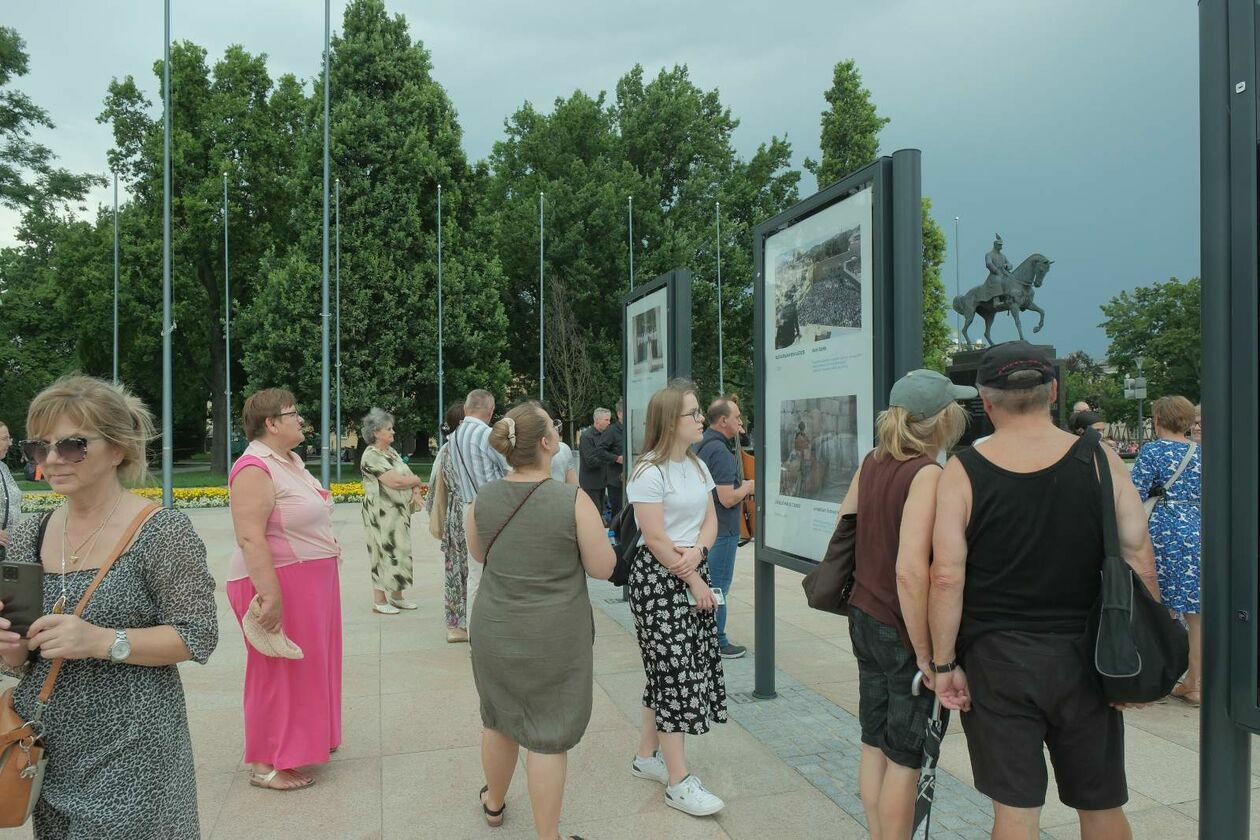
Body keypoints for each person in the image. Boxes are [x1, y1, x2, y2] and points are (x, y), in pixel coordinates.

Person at [928, 342, 1156, 840]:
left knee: (1015, 812)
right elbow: (1138, 554)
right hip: (1088, 655)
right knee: (1101, 805)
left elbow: (946, 573)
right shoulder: (1102, 462)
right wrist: (1137, 653)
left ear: (986, 402)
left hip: (998, 659)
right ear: (1052, 392)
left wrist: (944, 664)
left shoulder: (963, 471)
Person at [0, 375, 218, 838]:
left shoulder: (160, 531)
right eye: (39, 448)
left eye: (72, 446)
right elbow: (22, 661)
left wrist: (100, 640)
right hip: (47, 749)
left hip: (135, 750)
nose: (52, 461)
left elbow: (197, 635)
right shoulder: (28, 534)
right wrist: (10, 644)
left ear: (118, 449)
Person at [465, 402, 615, 839]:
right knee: (548, 736)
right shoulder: (572, 500)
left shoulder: (482, 499)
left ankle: (493, 804)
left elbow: (479, 554)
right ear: (548, 443)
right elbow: (603, 567)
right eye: (555, 427)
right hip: (555, 635)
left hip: (494, 628)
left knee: (498, 718)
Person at [837, 370, 971, 839]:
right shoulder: (928, 474)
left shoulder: (872, 461)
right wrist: (925, 652)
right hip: (899, 625)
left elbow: (845, 524)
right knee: (905, 756)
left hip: (863, 613)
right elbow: (912, 572)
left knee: (874, 742)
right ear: (941, 420)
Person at [227, 389, 343, 791]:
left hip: (309, 578)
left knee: (308, 666)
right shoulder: (254, 468)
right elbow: (250, 538)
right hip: (276, 579)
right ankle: (264, 761)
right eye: (293, 414)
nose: (300, 420)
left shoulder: (289, 461)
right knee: (275, 669)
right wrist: (270, 595)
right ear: (271, 424)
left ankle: (303, 742)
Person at [626, 381, 727, 817]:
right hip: (658, 581)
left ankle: (646, 757)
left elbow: (710, 522)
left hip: (690, 570)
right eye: (694, 413)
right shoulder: (649, 472)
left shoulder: (696, 465)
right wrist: (693, 579)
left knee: (667, 670)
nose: (701, 418)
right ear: (671, 421)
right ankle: (678, 781)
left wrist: (699, 557)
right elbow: (654, 538)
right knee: (673, 675)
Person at [1130, 395, 1202, 706]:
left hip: (1164, 529)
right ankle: (1195, 683)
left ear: (1158, 419)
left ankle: (1152, 677)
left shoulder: (1153, 451)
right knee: (1196, 612)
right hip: (1199, 528)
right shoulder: (1202, 453)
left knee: (1155, 605)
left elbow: (1135, 491)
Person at [693, 398, 754, 659]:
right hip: (723, 528)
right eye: (737, 416)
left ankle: (705, 637)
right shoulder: (719, 451)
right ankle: (718, 640)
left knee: (710, 583)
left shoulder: (703, 443)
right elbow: (728, 497)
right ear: (723, 420)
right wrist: (750, 486)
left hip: (707, 525)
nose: (740, 421)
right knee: (719, 586)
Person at [448, 389, 508, 622]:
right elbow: (510, 468)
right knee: (499, 571)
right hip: (493, 508)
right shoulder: (487, 434)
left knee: (475, 574)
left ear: (466, 408)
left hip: (468, 506)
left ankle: (476, 633)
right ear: (491, 411)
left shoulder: (454, 436)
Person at [359, 408, 425, 615]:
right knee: (382, 552)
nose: (393, 432)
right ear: (376, 432)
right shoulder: (371, 455)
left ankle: (397, 596)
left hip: (398, 512)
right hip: (381, 513)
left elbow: (408, 473)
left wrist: (414, 487)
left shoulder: (391, 452)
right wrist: (415, 481)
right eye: (389, 429)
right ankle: (379, 600)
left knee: (400, 552)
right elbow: (395, 481)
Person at [427, 402, 473, 642]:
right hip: (473, 509)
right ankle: (475, 619)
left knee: (456, 570)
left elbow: (434, 489)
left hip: (455, 515)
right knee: (475, 570)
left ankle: (456, 625)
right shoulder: (474, 447)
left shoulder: (446, 450)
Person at [578, 408, 615, 516]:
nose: (609, 423)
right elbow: (590, 460)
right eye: (606, 420)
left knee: (600, 513)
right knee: (594, 514)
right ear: (597, 421)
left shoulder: (606, 435)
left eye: (609, 420)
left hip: (602, 482)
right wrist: (611, 458)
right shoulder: (587, 436)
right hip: (590, 483)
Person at [0, 421, 22, 556]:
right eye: (4, 439)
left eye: (9, 438)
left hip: (8, 549)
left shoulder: (3, 468)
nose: (9, 443)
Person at [603, 400, 626, 513]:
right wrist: (617, 458)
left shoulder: (632, 428)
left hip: (631, 479)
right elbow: (600, 451)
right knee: (618, 514)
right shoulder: (611, 431)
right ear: (620, 414)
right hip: (616, 481)